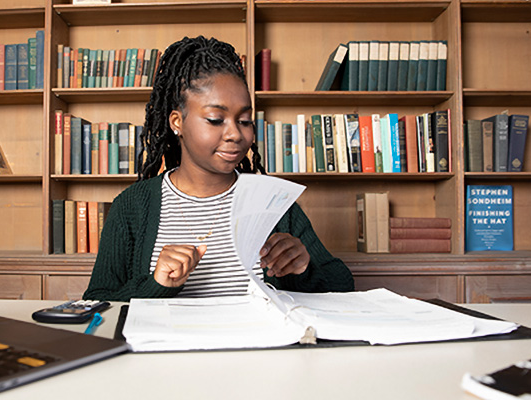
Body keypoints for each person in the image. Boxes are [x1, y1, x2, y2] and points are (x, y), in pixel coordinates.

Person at [83, 36, 353, 301]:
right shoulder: (131, 207)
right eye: (215, 119)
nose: (235, 134)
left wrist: (302, 268)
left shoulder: (272, 202)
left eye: (245, 120)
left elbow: (343, 285)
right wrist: (156, 283)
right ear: (177, 121)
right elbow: (97, 301)